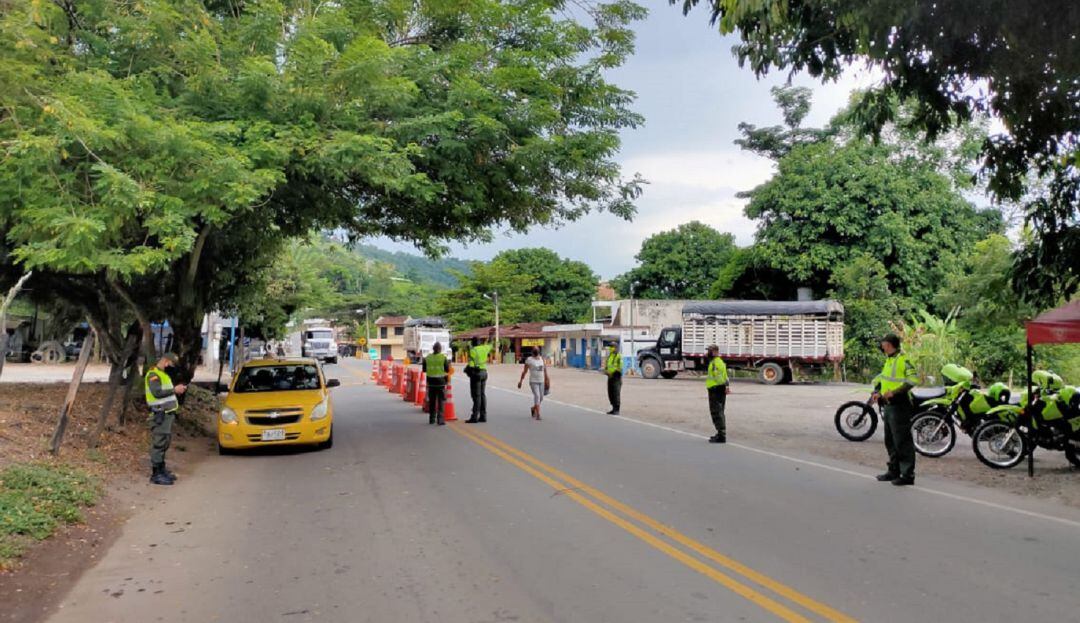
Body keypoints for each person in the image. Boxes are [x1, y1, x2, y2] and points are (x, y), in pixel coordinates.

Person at [872, 333, 919, 486]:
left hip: (900, 405)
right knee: (890, 440)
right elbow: (883, 380)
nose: (881, 346)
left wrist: (895, 392)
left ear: (889, 344)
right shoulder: (889, 360)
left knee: (902, 441)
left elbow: (913, 380)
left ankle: (907, 474)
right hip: (888, 405)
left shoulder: (904, 360)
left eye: (883, 343)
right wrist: (877, 392)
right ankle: (894, 470)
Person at [145, 352, 187, 486]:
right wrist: (175, 390)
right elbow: (157, 392)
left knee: (164, 442)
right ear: (166, 361)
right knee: (159, 443)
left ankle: (161, 470)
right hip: (160, 414)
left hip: (167, 414)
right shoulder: (153, 374)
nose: (171, 367)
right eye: (171, 364)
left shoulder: (163, 374)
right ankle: (156, 474)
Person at [422, 342, 453, 426]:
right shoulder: (443, 358)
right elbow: (447, 370)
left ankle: (431, 419)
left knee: (432, 401)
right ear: (440, 349)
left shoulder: (427, 358)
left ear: (433, 349)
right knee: (441, 401)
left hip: (431, 383)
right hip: (441, 383)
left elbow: (424, 370)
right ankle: (440, 420)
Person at [704, 345, 730, 443]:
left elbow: (718, 377)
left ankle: (721, 435)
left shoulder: (715, 363)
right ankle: (720, 433)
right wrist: (726, 386)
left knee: (716, 412)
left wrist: (720, 386)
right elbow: (725, 376)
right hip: (719, 389)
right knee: (720, 411)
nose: (707, 353)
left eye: (709, 351)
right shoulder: (720, 362)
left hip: (716, 389)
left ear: (714, 352)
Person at [465, 337, 493, 424]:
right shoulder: (484, 348)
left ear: (473, 343)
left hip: (476, 374)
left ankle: (474, 417)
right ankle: (483, 416)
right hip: (484, 373)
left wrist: (467, 370)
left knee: (476, 396)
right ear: (479, 342)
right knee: (482, 395)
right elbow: (490, 344)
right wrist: (491, 336)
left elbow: (471, 365)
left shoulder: (473, 351)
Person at [517, 347, 550, 420]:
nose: (536, 351)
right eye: (535, 349)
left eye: (537, 349)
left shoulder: (542, 359)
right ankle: (538, 414)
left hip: (541, 381)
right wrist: (520, 381)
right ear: (532, 352)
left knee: (541, 398)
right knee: (537, 396)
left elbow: (545, 371)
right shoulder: (529, 360)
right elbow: (524, 371)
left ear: (539, 352)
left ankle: (533, 408)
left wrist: (547, 380)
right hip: (533, 381)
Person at [604, 343, 623, 415]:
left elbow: (620, 368)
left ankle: (617, 409)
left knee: (616, 393)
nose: (610, 348)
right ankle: (613, 408)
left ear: (616, 347)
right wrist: (606, 370)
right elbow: (608, 365)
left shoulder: (619, 356)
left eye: (612, 347)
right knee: (610, 393)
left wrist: (613, 372)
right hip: (610, 377)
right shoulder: (610, 355)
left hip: (616, 377)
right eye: (610, 347)